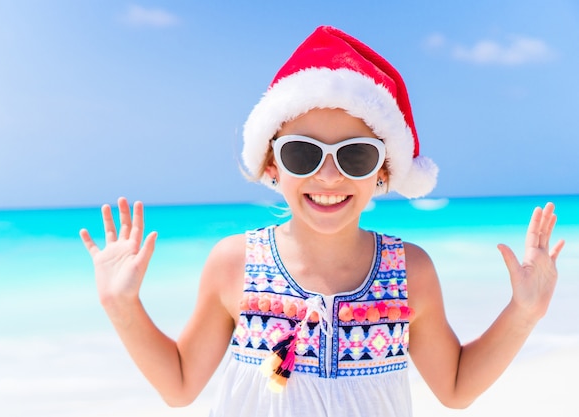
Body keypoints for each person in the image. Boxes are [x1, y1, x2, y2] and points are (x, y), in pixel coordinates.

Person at [79, 26, 565, 416]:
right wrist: (121, 305)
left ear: (383, 172)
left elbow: (456, 388)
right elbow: (180, 386)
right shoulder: (234, 264)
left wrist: (524, 312)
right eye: (302, 153)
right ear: (271, 166)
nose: (328, 176)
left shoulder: (409, 272)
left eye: (354, 156)